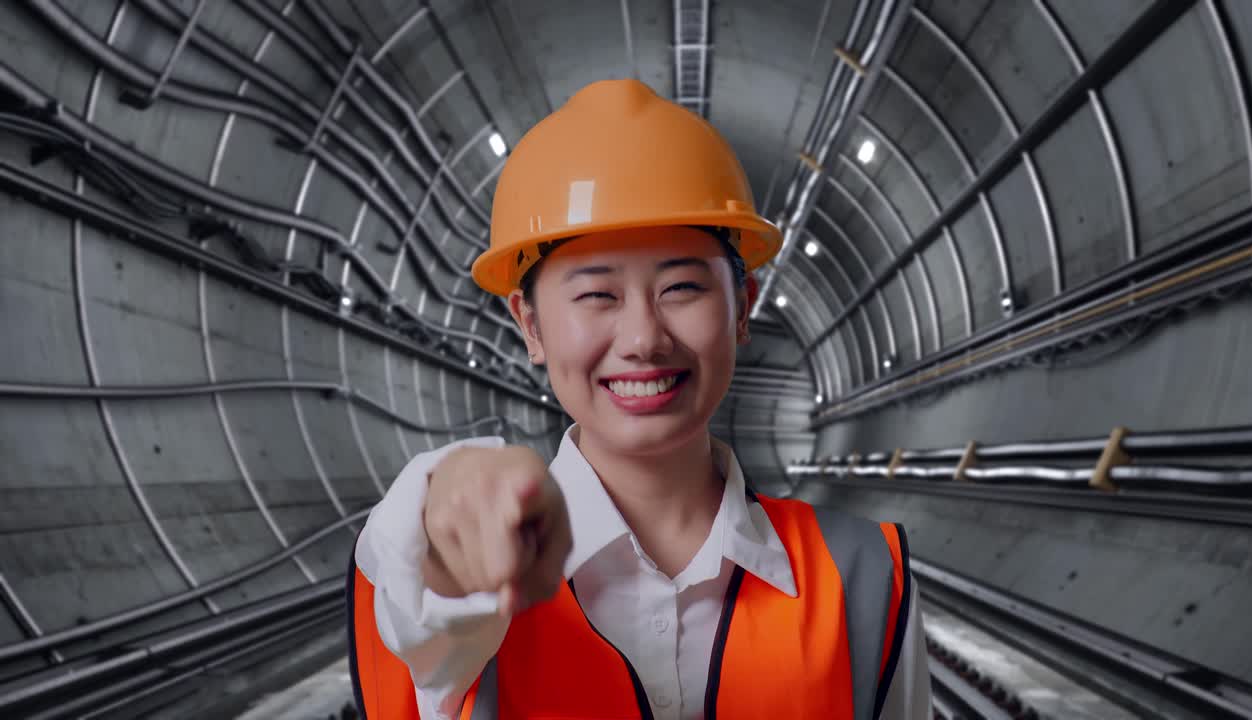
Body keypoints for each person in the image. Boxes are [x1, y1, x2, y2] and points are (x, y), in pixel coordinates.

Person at [347, 78, 930, 719]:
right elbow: (416, 579)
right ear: (531, 325)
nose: (644, 338)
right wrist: (450, 505)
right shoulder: (461, 577)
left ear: (744, 310)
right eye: (597, 294)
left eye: (681, 287)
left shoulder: (864, 574)